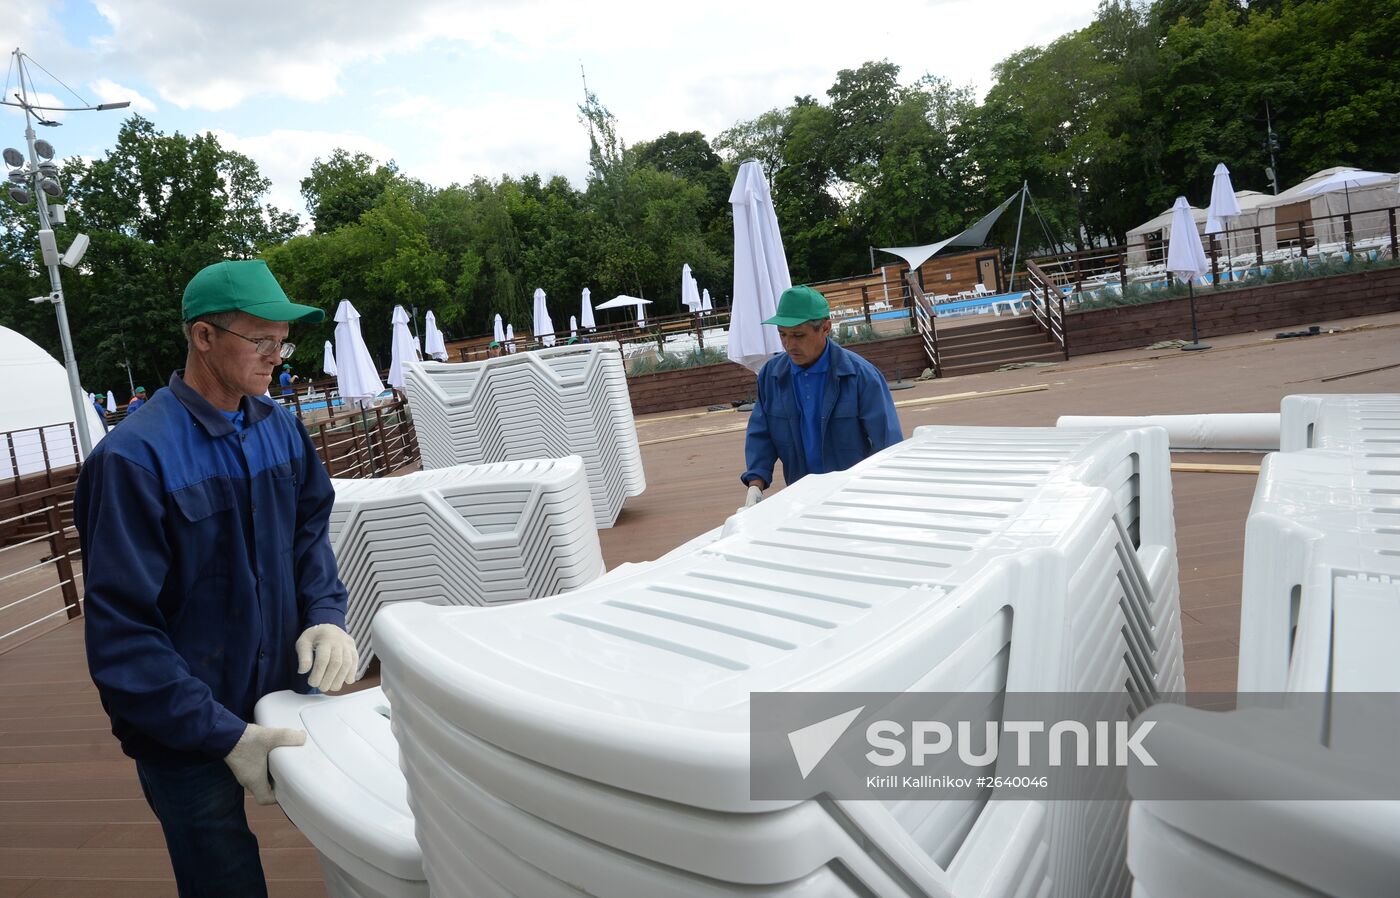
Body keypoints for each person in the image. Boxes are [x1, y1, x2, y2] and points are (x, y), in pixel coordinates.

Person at [74, 259, 359, 898]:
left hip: (283, 694)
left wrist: (325, 614)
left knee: (353, 836)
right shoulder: (132, 459)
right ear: (203, 337)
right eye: (261, 341)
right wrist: (222, 733)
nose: (277, 358)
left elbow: (309, 531)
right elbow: (123, 632)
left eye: (283, 343)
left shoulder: (280, 426)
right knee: (222, 881)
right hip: (183, 729)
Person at [740, 285, 904, 508]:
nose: (789, 344)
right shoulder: (771, 375)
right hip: (800, 495)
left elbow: (888, 442)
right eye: (782, 334)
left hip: (854, 496)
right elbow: (761, 433)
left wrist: (885, 496)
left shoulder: (861, 376)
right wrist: (755, 485)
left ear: (826, 328)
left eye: (798, 335)